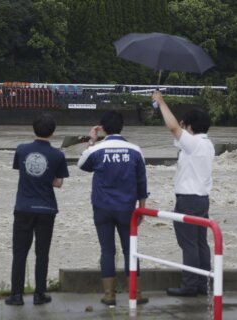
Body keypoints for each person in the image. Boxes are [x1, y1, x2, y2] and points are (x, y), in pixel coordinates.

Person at [77, 110, 149, 306]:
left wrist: (91, 141)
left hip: (102, 207)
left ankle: (109, 296)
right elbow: (142, 181)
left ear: (103, 128)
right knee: (130, 250)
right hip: (127, 208)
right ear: (122, 127)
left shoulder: (97, 150)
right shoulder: (135, 150)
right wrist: (141, 207)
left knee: (107, 251)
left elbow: (81, 164)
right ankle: (137, 293)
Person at [152, 91, 214, 297]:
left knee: (188, 244)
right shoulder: (207, 144)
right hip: (202, 199)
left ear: (190, 127)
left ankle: (189, 286)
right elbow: (177, 131)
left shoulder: (194, 143)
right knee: (200, 243)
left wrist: (161, 102)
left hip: (188, 199)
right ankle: (201, 284)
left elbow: (173, 127)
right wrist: (182, 126)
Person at [5, 113, 69, 306]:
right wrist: (46, 176)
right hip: (46, 208)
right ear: (53, 132)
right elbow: (58, 183)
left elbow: (23, 171)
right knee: (42, 253)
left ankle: (16, 295)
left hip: (23, 206)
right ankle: (39, 294)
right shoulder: (58, 155)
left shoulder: (22, 150)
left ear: (33, 129)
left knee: (19, 252)